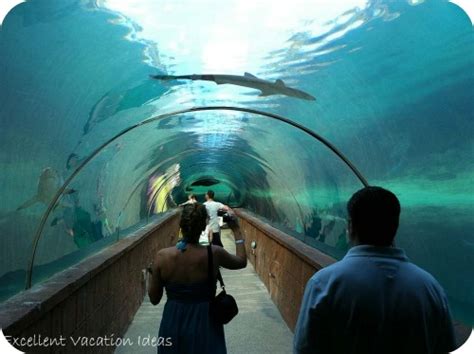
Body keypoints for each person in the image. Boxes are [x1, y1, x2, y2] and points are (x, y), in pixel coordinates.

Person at [293, 186, 457, 354]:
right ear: (395, 226)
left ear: (350, 226)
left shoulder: (324, 284)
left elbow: (304, 349)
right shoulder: (430, 288)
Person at [148, 203, 246, 354]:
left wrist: (151, 274)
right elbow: (241, 261)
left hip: (173, 320)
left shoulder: (162, 257)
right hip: (205, 321)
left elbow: (154, 298)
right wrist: (236, 230)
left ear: (181, 225)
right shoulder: (214, 253)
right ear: (203, 227)